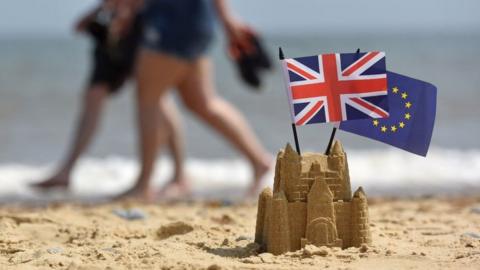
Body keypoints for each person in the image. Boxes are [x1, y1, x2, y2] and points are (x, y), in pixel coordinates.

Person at [118, 0, 272, 199]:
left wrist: (126, 12)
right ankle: (259, 161)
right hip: (199, 23)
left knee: (149, 99)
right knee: (201, 102)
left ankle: (144, 184)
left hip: (168, 24)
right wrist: (227, 20)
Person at [32, 0, 186, 196]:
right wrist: (101, 11)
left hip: (140, 29)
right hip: (113, 37)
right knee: (94, 97)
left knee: (157, 98)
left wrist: (127, 14)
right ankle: (66, 171)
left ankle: (177, 175)